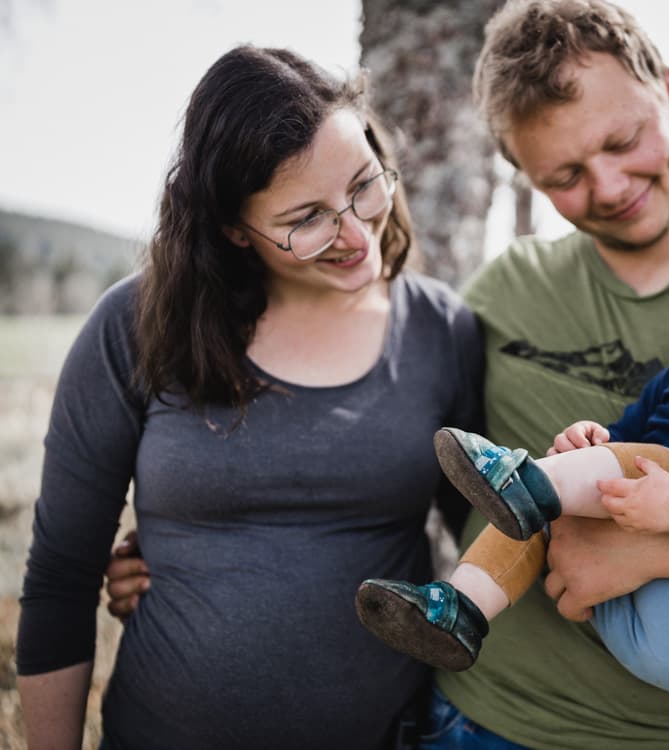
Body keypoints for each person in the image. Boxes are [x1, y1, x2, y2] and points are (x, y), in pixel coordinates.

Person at [106, 1, 669, 747]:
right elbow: (367, 437)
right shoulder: (500, 297)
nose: (608, 185)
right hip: (490, 722)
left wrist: (651, 548)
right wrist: (196, 549)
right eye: (562, 174)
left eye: (623, 139)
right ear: (521, 176)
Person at [16, 45, 483, 750]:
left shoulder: (441, 330)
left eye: (364, 185)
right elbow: (59, 578)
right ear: (234, 228)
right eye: (306, 218)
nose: (355, 233)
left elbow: (482, 534)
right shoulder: (135, 325)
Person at [356, 200, 669, 698]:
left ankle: (533, 480)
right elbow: (625, 435)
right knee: (548, 507)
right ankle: (460, 610)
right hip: (630, 620)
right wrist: (589, 443)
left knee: (650, 468)